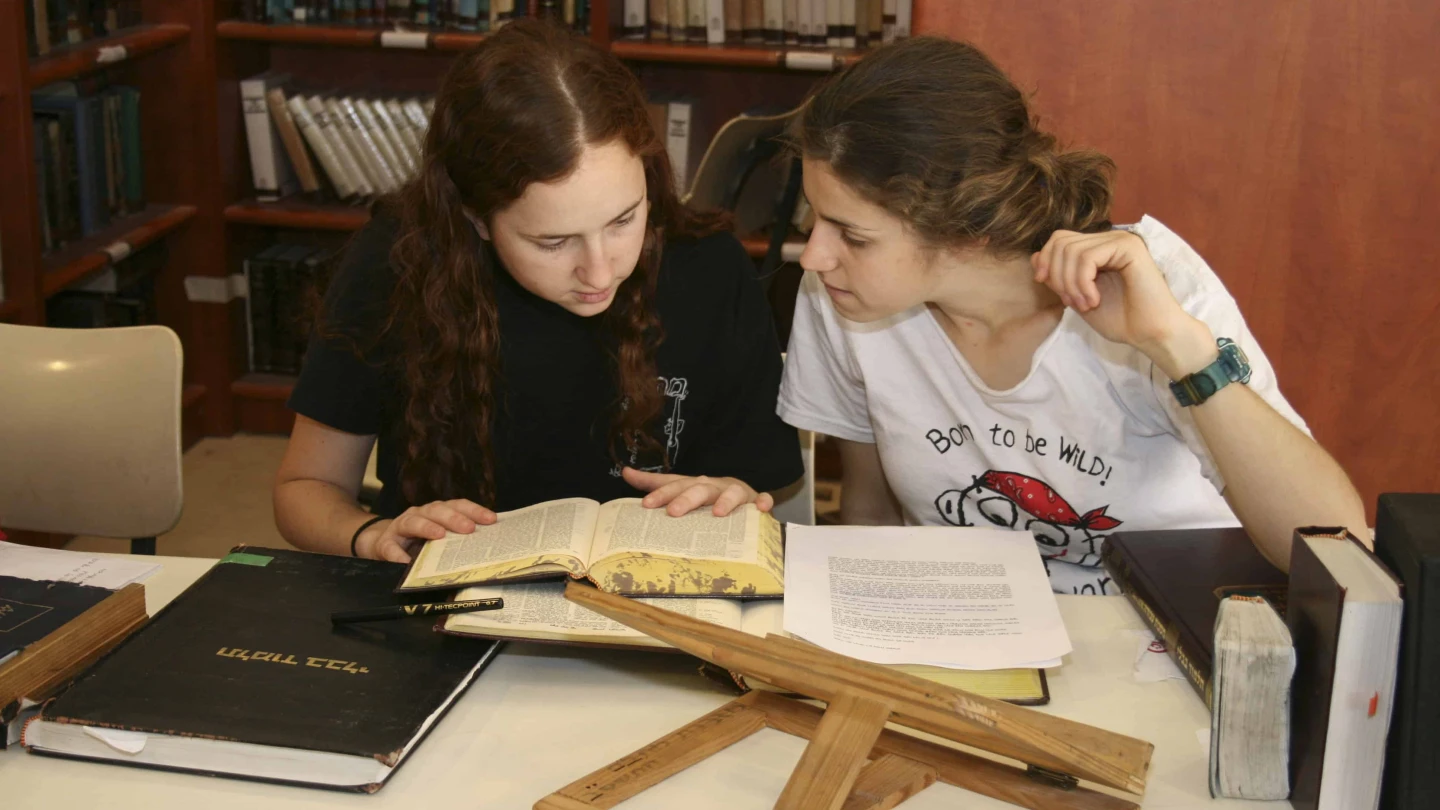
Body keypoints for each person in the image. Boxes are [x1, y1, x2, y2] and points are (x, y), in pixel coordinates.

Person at [777, 36, 1367, 594]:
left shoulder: (1150, 282)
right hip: (968, 633)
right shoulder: (843, 297)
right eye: (816, 217)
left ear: (969, 228)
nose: (815, 255)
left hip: (1168, 632)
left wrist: (1176, 345)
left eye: (852, 234)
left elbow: (1331, 548)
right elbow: (869, 517)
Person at [274, 20, 802, 563]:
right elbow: (305, 489)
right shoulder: (398, 262)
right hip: (445, 610)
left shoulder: (710, 267)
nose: (600, 273)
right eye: (553, 242)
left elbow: (754, 487)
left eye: (624, 220)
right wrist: (370, 535)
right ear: (476, 219)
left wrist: (730, 497)